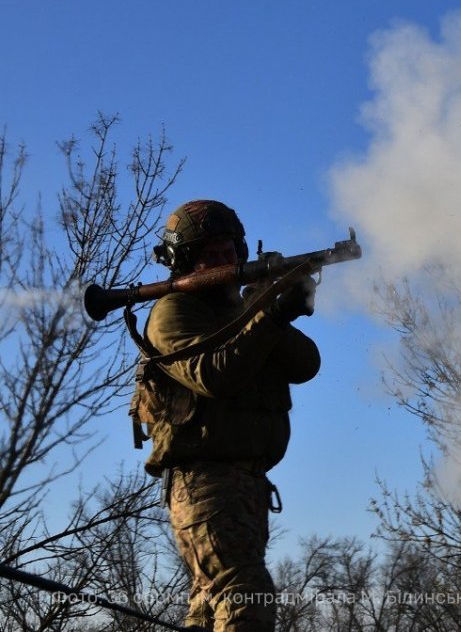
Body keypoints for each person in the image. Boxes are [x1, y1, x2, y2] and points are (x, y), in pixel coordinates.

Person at [132, 199, 320, 631]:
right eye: (209, 257)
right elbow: (214, 375)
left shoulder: (241, 312)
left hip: (247, 486)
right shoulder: (173, 313)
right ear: (183, 262)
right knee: (245, 595)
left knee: (208, 611)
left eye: (229, 254)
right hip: (203, 483)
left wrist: (272, 307)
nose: (224, 263)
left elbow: (306, 365)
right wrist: (267, 313)